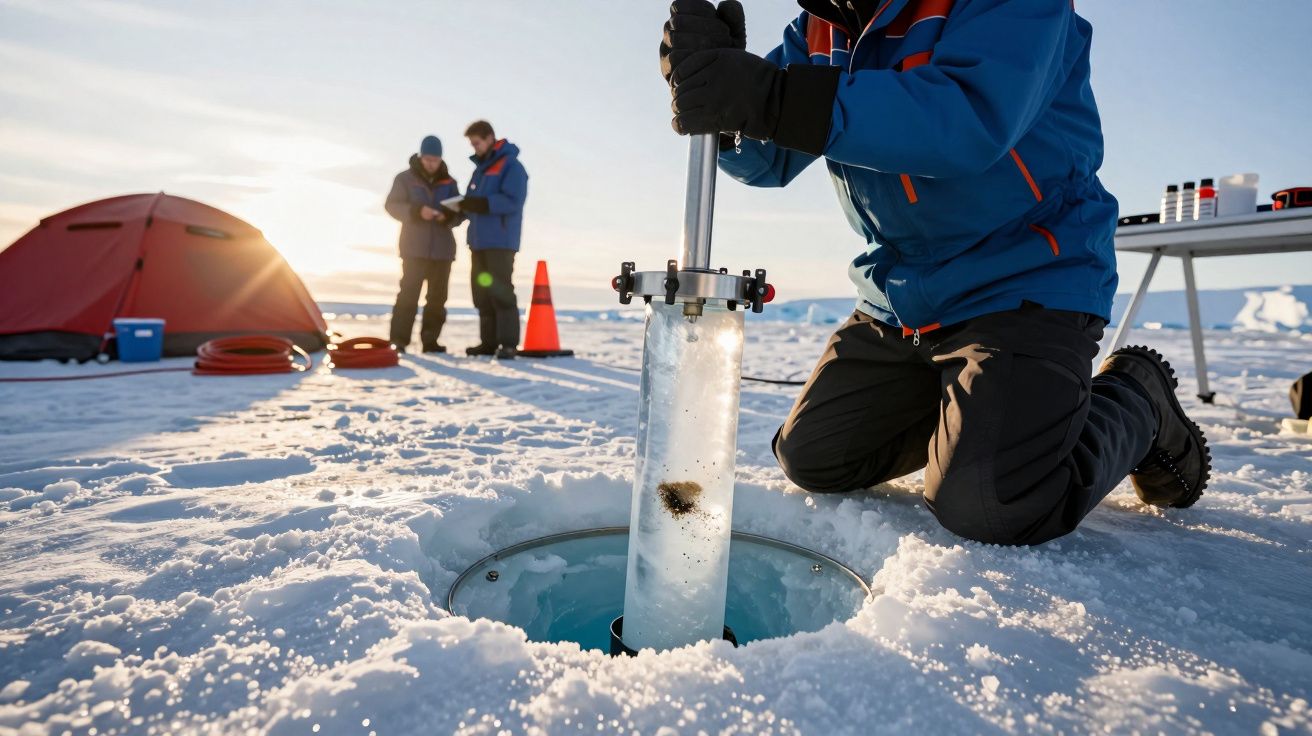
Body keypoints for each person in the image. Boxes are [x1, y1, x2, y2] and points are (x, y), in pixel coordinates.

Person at [659, 0, 1211, 545]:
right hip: (901, 296)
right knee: (816, 458)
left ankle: (1136, 397)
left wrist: (769, 95)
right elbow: (768, 159)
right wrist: (722, 102)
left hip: (1023, 278)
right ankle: (982, 412)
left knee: (991, 501)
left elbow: (966, 119)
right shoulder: (821, 26)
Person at [456, 120, 529, 359]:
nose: (474, 147)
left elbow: (513, 200)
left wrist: (481, 203)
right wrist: (457, 210)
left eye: (477, 142)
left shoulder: (511, 166)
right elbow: (472, 203)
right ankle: (488, 342)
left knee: (501, 291)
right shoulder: (481, 170)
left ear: (489, 138)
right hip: (478, 242)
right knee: (482, 293)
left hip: (500, 241)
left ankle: (508, 344)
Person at [384, 135, 462, 353]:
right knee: (408, 294)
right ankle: (399, 341)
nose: (431, 163)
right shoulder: (404, 179)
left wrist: (447, 217)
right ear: (421, 156)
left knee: (437, 298)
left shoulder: (450, 183)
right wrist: (417, 212)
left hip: (443, 250)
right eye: (428, 159)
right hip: (413, 248)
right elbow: (392, 205)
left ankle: (431, 341)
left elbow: (460, 213)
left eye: (435, 160)